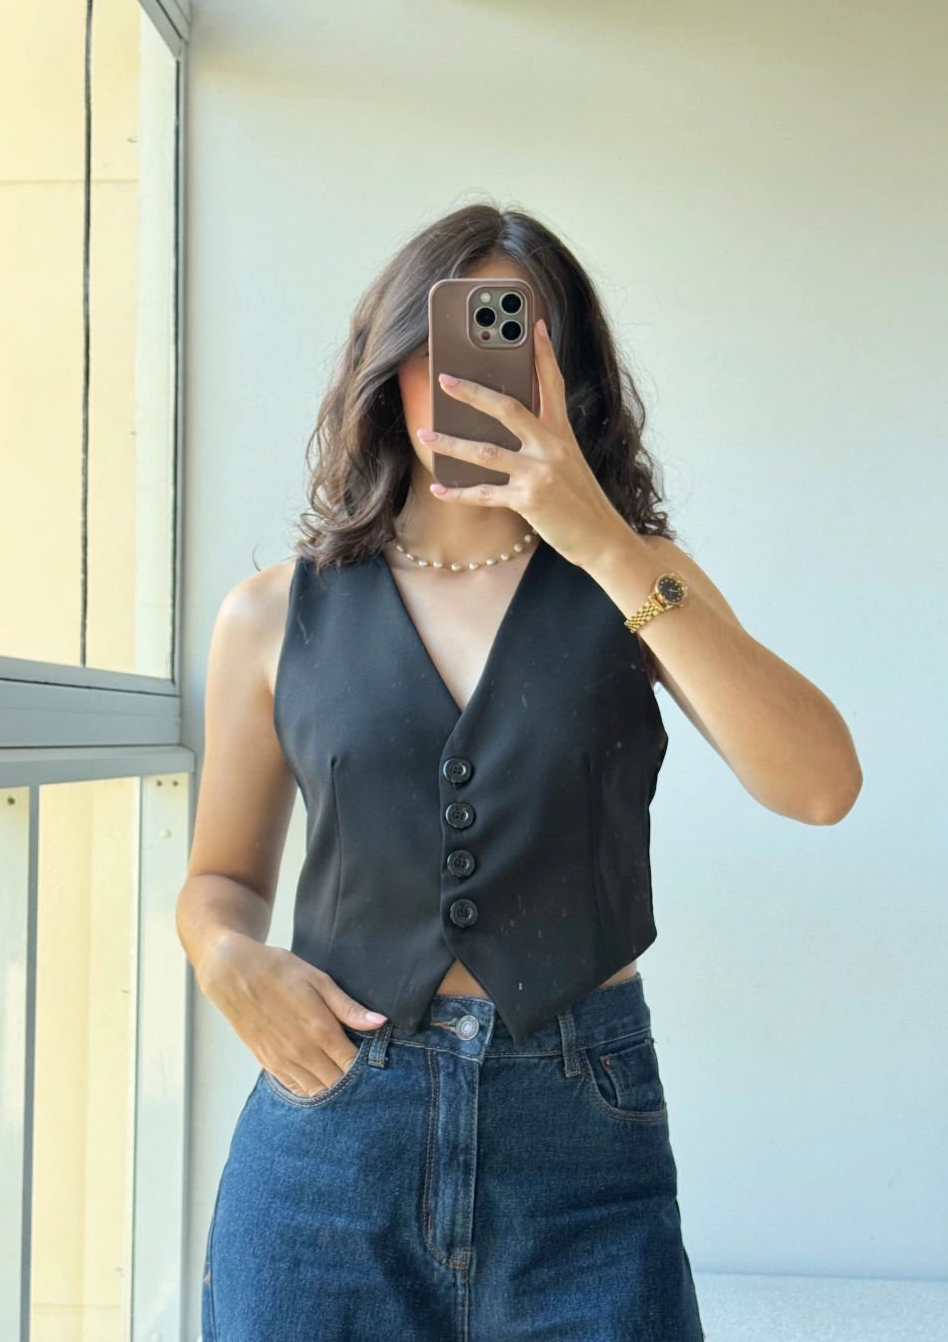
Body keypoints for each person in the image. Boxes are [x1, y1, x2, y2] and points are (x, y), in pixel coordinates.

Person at [176, 202, 862, 1342]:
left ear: (568, 380)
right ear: (389, 361)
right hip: (328, 1139)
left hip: (583, 1142)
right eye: (446, 344)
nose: (473, 384)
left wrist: (599, 537)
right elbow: (221, 879)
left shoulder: (641, 583)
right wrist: (225, 956)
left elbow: (820, 785)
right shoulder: (270, 614)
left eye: (510, 347)